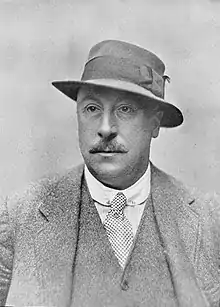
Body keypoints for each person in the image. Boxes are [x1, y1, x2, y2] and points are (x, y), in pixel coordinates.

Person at [0, 40, 219, 307]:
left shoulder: (210, 222)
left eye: (125, 109)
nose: (105, 128)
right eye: (92, 108)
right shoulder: (19, 217)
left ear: (154, 123)